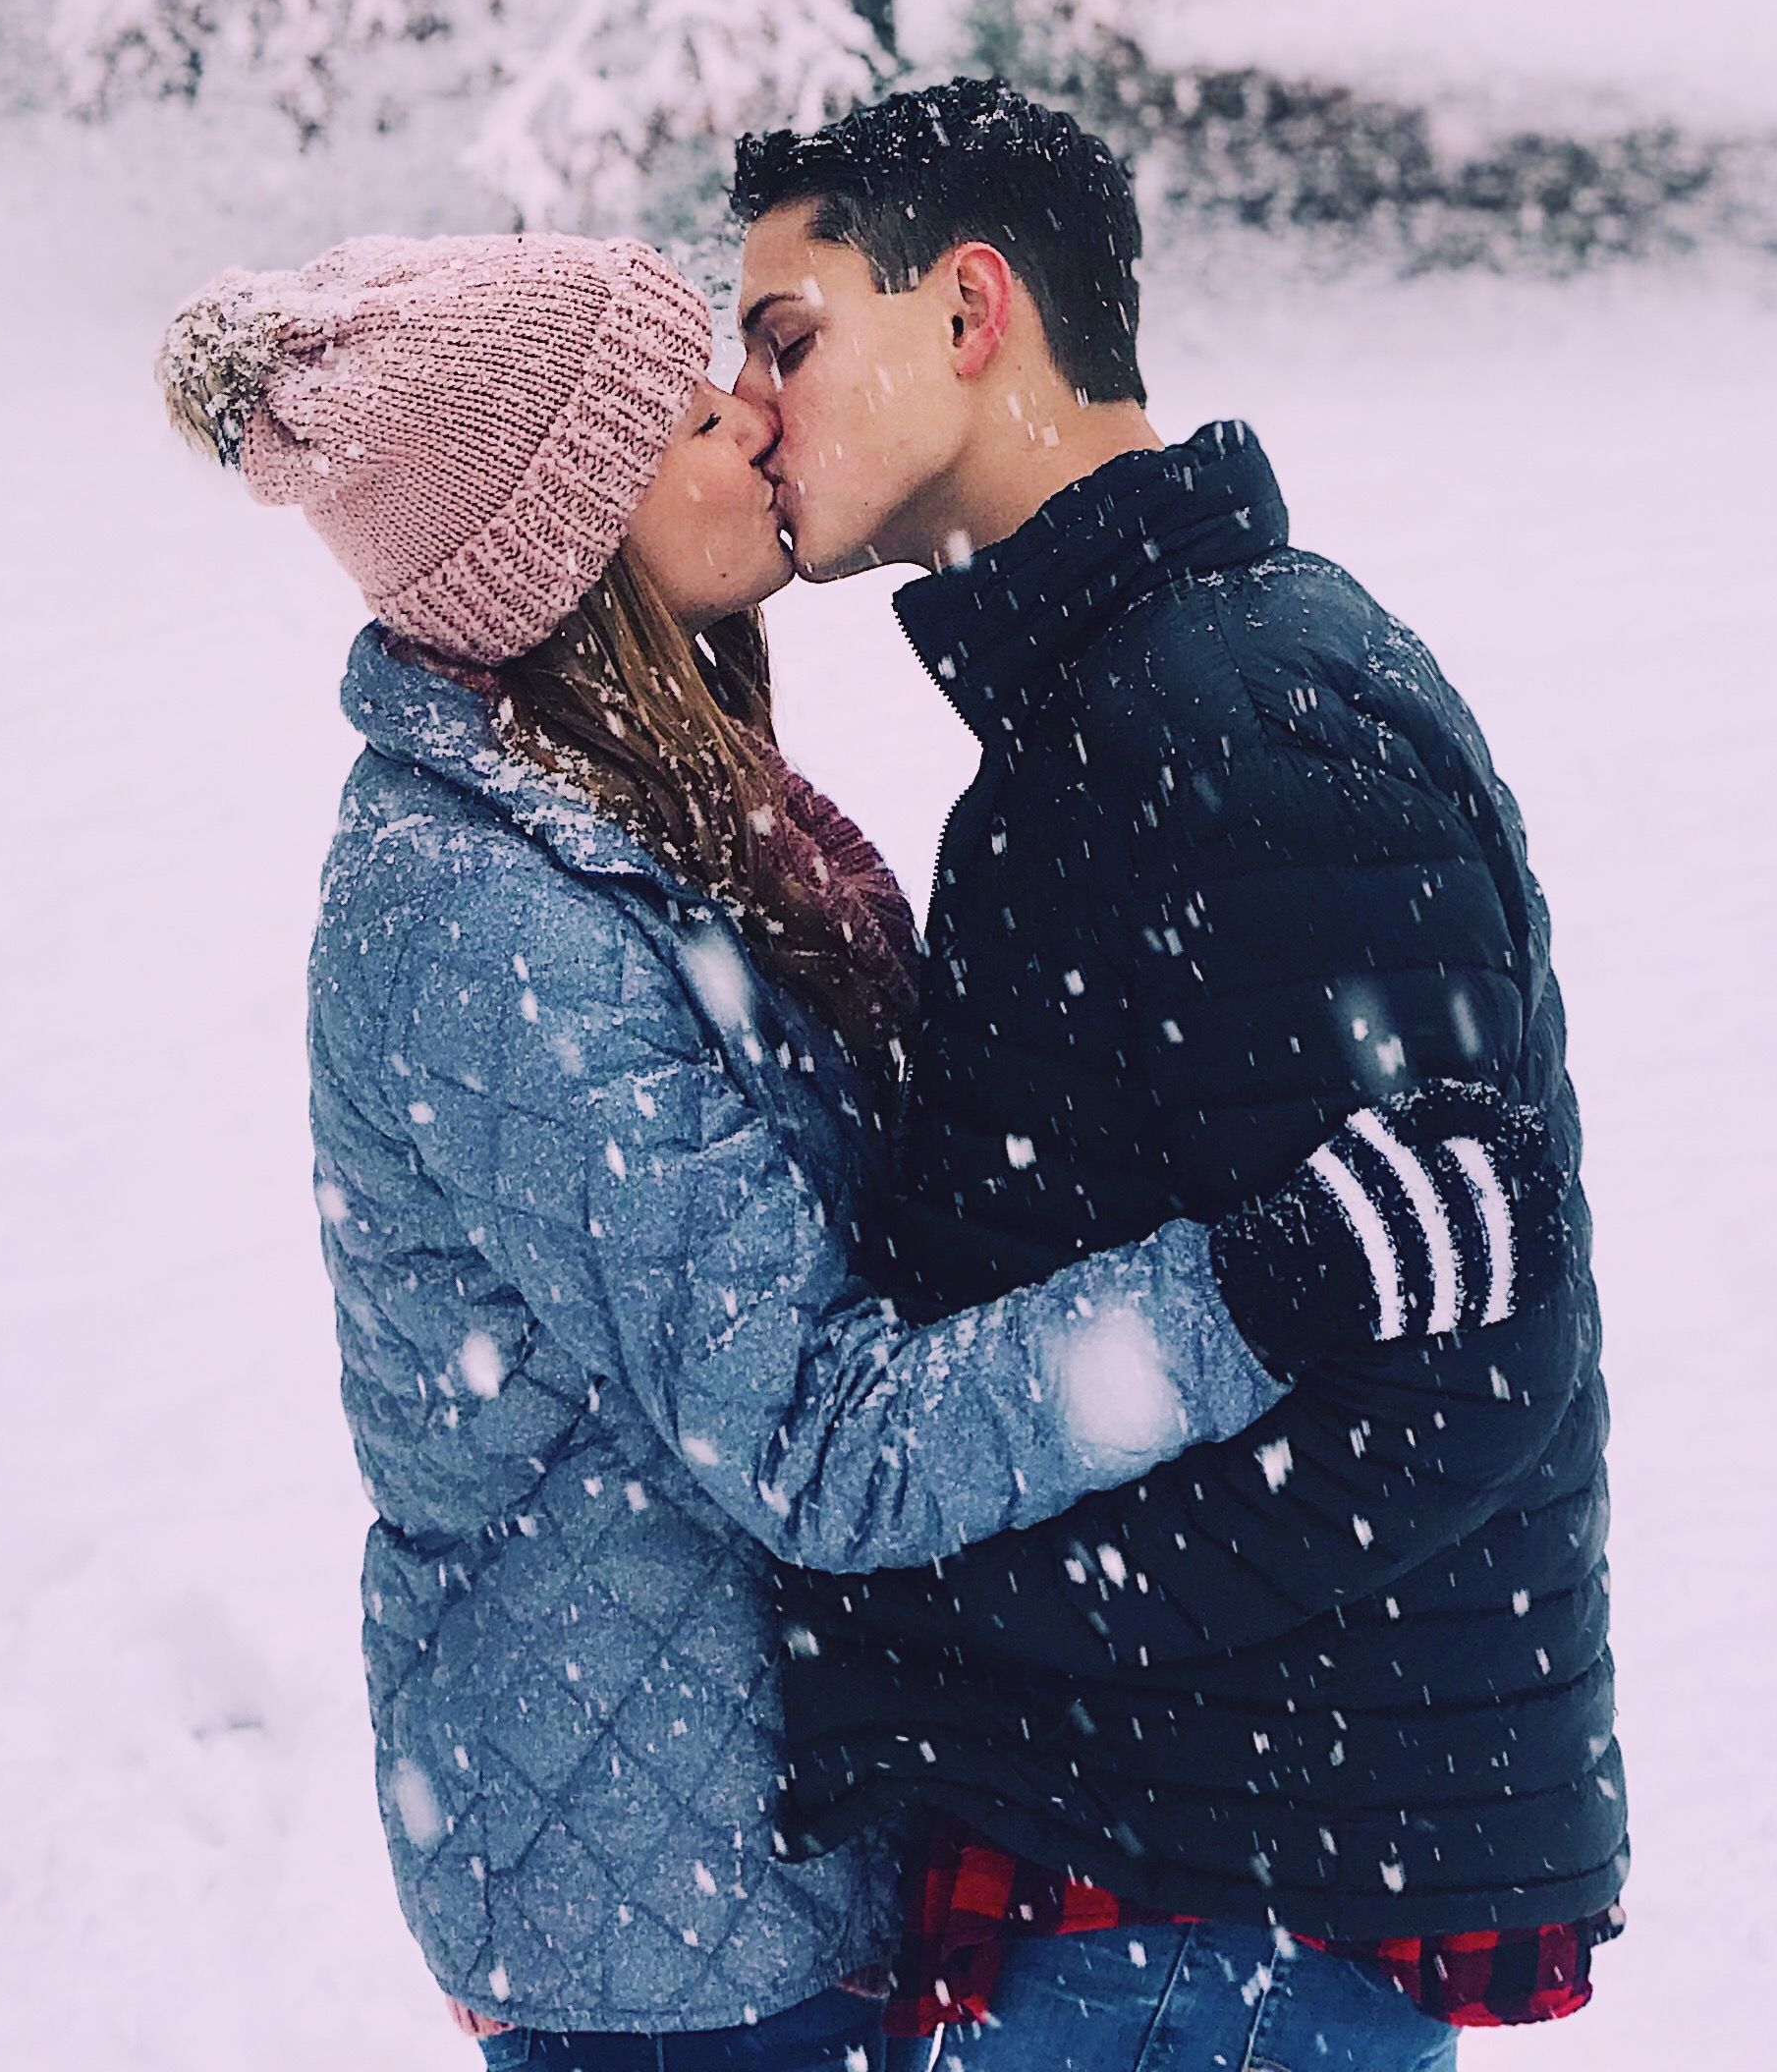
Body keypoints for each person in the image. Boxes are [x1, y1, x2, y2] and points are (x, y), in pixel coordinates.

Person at [156, 229, 1573, 2071]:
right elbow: (817, 1432)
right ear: (561, 548)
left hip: (742, 1833)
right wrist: (1258, 1283)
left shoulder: (650, 818)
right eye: (680, 417)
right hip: (670, 1921)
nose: (755, 422)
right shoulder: (492, 930)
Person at [730, 82, 1626, 2069]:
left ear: (969, 314)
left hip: (1220, 1920)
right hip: (1167, 1882)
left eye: (787, 338)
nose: (753, 410)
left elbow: (1451, 1370)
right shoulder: (1120, 707)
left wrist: (953, 1599)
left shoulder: (1237, 720)